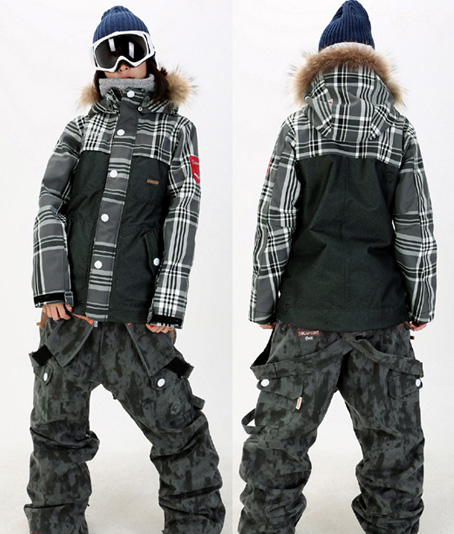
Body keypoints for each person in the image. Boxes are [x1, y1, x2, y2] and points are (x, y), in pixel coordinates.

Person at [239, 1, 437, 533]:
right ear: (372, 62)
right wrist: (421, 303)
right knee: (394, 455)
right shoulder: (399, 130)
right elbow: (416, 227)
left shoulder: (298, 126)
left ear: (321, 62)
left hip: (306, 313)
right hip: (382, 314)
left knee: (277, 454)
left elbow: (274, 222)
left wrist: (265, 303)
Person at [25, 6, 225, 534]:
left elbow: (183, 213)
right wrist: (50, 287)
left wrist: (169, 302)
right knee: (55, 441)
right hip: (69, 323)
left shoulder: (177, 130)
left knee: (181, 435)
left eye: (131, 50)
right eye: (108, 54)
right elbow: (49, 203)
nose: (121, 64)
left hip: (139, 323)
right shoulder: (79, 129)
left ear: (150, 56)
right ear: (97, 64)